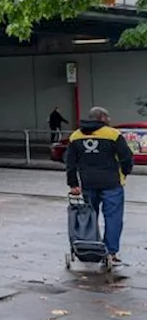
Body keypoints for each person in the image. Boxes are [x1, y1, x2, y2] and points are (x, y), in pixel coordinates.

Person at [67, 106, 134, 266]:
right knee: (113, 218)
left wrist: (73, 184)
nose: (110, 120)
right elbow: (126, 158)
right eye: (108, 117)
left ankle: (90, 248)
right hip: (112, 183)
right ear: (102, 118)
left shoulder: (75, 136)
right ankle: (110, 252)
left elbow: (70, 163)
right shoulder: (113, 135)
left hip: (88, 184)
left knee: (90, 217)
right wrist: (125, 172)